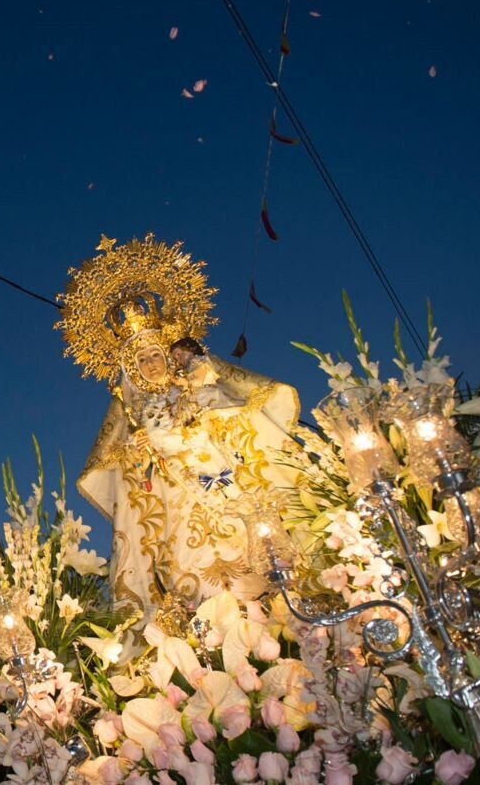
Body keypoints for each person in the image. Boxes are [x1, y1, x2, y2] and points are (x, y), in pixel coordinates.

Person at [62, 236, 302, 614]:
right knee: (191, 567)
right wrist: (137, 452)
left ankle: (278, 603)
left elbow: (234, 413)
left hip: (220, 477)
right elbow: (121, 468)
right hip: (174, 495)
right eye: (142, 361)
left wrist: (203, 415)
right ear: (134, 371)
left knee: (253, 547)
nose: (152, 364)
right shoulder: (132, 411)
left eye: (155, 354)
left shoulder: (198, 383)